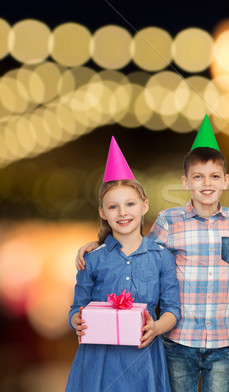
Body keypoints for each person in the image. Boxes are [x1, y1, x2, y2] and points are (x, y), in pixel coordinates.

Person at [74, 117, 229, 392]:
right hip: (179, 338)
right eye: (198, 176)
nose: (207, 183)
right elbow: (137, 250)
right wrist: (99, 245)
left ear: (225, 181)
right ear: (185, 181)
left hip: (224, 337)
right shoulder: (169, 221)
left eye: (214, 176)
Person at [66, 137, 181, 391]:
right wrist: (75, 319)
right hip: (99, 359)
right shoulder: (92, 259)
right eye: (113, 207)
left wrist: (157, 327)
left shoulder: (161, 257)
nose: (123, 212)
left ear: (144, 205)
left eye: (130, 204)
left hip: (143, 359)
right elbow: (77, 307)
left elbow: (173, 309)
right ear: (102, 213)